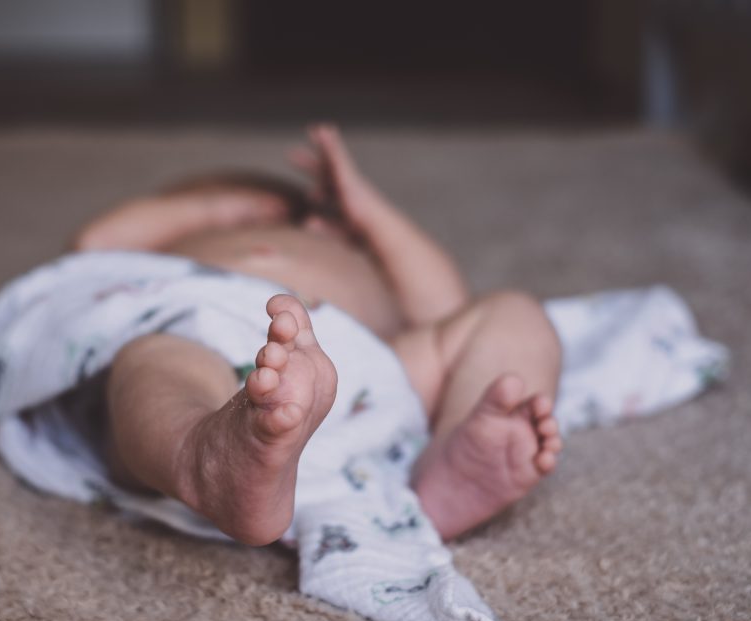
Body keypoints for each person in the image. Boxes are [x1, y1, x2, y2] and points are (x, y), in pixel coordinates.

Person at [71, 124, 563, 546]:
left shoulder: (363, 255)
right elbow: (94, 246)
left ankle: (442, 478)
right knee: (154, 362)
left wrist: (371, 215)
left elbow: (446, 307)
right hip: (200, 338)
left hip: (356, 374)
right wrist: (219, 208)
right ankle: (201, 457)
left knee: (511, 314)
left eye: (323, 220)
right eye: (265, 214)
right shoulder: (178, 248)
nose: (300, 222)